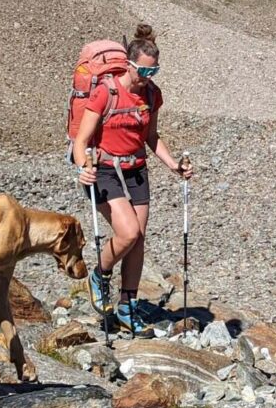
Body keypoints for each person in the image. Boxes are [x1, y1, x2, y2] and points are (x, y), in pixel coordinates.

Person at [72, 22, 194, 333]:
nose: (148, 78)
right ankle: (100, 274)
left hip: (136, 169)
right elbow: (81, 141)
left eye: (154, 72)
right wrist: (82, 167)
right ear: (129, 64)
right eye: (144, 71)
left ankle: (128, 305)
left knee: (138, 239)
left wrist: (173, 165)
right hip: (104, 169)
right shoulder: (105, 92)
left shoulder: (152, 96)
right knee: (126, 234)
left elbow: (151, 137)